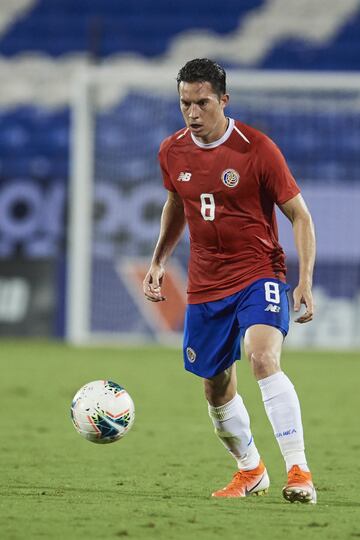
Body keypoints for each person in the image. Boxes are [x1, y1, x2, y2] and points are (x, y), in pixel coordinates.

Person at [143, 58, 316, 504]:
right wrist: (159, 259)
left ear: (224, 99)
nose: (193, 113)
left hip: (259, 272)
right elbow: (177, 206)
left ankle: (298, 471)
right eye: (185, 104)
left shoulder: (257, 149)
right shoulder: (171, 151)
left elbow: (299, 215)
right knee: (215, 385)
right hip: (205, 284)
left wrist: (305, 280)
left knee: (261, 358)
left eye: (202, 103)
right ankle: (250, 470)